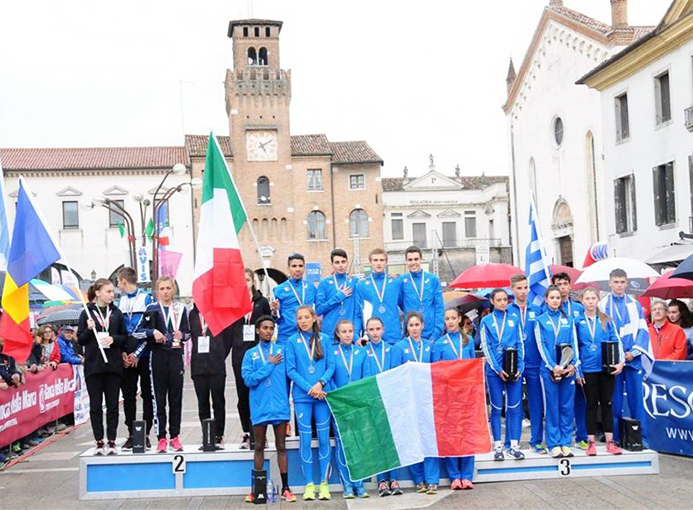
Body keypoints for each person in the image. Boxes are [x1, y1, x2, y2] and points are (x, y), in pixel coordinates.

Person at [241, 316, 297, 503]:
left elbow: (291, 375)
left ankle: (286, 489)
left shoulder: (282, 351)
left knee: (281, 446)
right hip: (260, 407)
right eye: (264, 328)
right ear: (257, 330)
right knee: (259, 446)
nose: (268, 331)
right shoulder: (250, 354)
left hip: (280, 407)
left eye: (271, 328)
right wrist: (269, 364)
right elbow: (248, 380)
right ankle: (256, 490)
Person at [284, 305, 335, 501]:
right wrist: (310, 388)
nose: (303, 321)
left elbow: (331, 365)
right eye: (300, 318)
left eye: (306, 317)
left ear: (314, 318)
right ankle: (309, 484)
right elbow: (291, 370)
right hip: (303, 396)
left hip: (322, 395)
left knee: (323, 439)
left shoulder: (326, 339)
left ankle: (324, 483)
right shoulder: (291, 341)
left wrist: (320, 384)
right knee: (305, 439)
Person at [599, 269, 652, 447]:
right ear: (610, 283)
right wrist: (616, 355)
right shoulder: (603, 304)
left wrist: (633, 353)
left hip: (632, 359)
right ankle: (614, 439)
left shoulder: (634, 304)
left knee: (636, 400)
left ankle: (641, 438)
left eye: (622, 282)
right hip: (614, 360)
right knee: (614, 401)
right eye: (616, 282)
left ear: (627, 283)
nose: (619, 285)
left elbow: (643, 331)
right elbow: (601, 333)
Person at [137, 276, 191, 453]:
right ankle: (161, 437)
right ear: (157, 291)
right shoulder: (151, 309)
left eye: (168, 288)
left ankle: (175, 437)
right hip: (158, 357)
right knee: (159, 399)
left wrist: (182, 336)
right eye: (162, 289)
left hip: (176, 356)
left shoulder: (181, 309)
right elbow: (137, 332)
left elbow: (188, 333)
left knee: (176, 399)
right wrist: (153, 332)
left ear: (173, 290)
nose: (166, 291)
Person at [77, 278, 127, 456]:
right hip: (94, 366)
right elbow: (80, 340)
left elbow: (124, 337)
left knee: (113, 405)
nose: (112, 295)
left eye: (113, 291)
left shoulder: (116, 313)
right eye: (108, 291)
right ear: (98, 293)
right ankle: (99, 441)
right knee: (96, 406)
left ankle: (112, 440)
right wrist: (89, 329)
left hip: (112, 365)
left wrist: (114, 339)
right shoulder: (87, 313)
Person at [391, 311, 439, 494]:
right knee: (412, 439)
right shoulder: (399, 347)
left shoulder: (429, 346)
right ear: (406, 328)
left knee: (429, 439)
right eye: (410, 325)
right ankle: (418, 479)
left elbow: (435, 372)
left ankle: (432, 480)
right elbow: (395, 374)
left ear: (422, 326)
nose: (414, 328)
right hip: (408, 400)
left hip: (426, 399)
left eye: (416, 325)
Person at [575, 287, 624, 456]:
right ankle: (590, 443)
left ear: (598, 299)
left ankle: (610, 442)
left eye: (593, 298)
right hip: (588, 368)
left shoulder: (606, 319)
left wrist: (621, 363)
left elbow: (616, 341)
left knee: (607, 404)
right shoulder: (577, 321)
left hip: (606, 368)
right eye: (587, 298)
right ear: (582, 300)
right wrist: (578, 371)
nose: (590, 301)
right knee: (590, 405)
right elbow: (575, 347)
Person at [479, 289, 525, 461]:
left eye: (505, 299)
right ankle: (498, 446)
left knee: (514, 407)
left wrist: (520, 366)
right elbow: (485, 346)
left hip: (514, 369)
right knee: (497, 408)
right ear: (492, 301)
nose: (502, 302)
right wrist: (497, 369)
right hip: (494, 371)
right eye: (499, 300)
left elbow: (520, 343)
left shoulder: (514, 319)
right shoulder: (486, 321)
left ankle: (514, 445)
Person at [432, 308, 476, 490]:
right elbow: (435, 371)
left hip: (466, 394)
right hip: (448, 396)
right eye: (447, 319)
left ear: (459, 319)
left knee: (466, 434)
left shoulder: (468, 341)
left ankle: (467, 475)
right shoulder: (439, 344)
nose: (450, 322)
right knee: (451, 435)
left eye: (453, 318)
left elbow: (473, 366)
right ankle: (454, 476)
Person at [535, 285, 580, 459]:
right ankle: (554, 444)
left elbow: (573, 343)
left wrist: (573, 365)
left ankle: (566, 443)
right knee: (552, 407)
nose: (555, 300)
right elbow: (542, 345)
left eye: (558, 298)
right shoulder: (540, 320)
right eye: (552, 297)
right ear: (546, 299)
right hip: (549, 371)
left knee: (566, 407)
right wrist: (552, 365)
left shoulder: (568, 319)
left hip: (568, 370)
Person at [361, 317, 403, 497]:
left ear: (383, 330)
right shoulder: (363, 351)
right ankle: (381, 481)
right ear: (367, 332)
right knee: (377, 441)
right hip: (373, 400)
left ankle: (394, 478)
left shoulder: (392, 350)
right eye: (371, 329)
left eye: (378, 328)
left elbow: (396, 374)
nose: (375, 332)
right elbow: (364, 377)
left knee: (391, 440)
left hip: (390, 399)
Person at [232, 268, 271, 449]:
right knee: (242, 395)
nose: (245, 283)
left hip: (258, 353)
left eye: (247, 279)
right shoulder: (233, 302)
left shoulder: (261, 301)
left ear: (252, 281)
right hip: (240, 353)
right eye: (241, 280)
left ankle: (260, 433)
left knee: (259, 394)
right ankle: (246, 433)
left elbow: (269, 323)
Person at [117, 267, 155, 450]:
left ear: (124, 280)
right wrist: (123, 353)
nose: (117, 286)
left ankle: (145, 434)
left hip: (145, 355)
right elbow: (119, 330)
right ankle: (132, 434)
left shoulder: (147, 299)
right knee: (129, 395)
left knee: (148, 394)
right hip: (127, 356)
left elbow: (150, 329)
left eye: (118, 282)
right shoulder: (120, 301)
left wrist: (137, 354)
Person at [331, 320, 369, 499]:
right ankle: (347, 484)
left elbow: (367, 377)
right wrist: (336, 396)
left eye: (350, 331)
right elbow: (329, 377)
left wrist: (359, 397)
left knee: (358, 443)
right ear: (337, 334)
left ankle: (359, 484)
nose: (347, 334)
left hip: (357, 404)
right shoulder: (332, 353)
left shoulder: (361, 352)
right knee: (342, 444)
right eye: (343, 331)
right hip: (339, 404)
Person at [508, 274, 545, 454]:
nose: (523, 291)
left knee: (536, 403)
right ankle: (511, 442)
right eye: (519, 288)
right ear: (512, 289)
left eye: (525, 287)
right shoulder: (507, 310)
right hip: (514, 364)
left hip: (534, 362)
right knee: (514, 403)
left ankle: (536, 440)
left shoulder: (537, 310)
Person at [189, 303, 234, 449]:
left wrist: (220, 354)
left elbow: (228, 338)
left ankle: (219, 435)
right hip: (198, 365)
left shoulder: (219, 313)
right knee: (202, 403)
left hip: (216, 365)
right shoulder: (192, 314)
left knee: (218, 402)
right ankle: (207, 435)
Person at [552, 272, 587, 449]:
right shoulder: (550, 308)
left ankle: (581, 436)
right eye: (559, 284)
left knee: (580, 400)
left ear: (570, 286)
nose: (563, 287)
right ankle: (558, 438)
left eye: (565, 283)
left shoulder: (579, 308)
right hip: (558, 362)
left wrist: (577, 365)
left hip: (578, 360)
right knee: (558, 403)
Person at [355, 249, 403, 344]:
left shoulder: (396, 282)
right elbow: (358, 313)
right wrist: (356, 336)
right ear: (370, 262)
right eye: (375, 260)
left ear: (386, 262)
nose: (378, 263)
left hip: (393, 336)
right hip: (372, 336)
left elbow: (405, 307)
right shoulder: (361, 285)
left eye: (381, 260)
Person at [399, 246, 444, 342]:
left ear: (421, 259)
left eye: (416, 259)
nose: (413, 262)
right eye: (410, 260)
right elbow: (401, 304)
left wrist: (436, 333)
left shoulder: (432, 279)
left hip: (430, 334)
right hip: (410, 333)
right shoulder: (402, 281)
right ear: (405, 261)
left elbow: (439, 307)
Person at [271, 254, 317, 344]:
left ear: (304, 268)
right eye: (294, 266)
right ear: (288, 268)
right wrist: (274, 311)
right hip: (286, 336)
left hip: (308, 335)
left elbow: (321, 306)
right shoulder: (279, 290)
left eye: (300, 266)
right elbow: (274, 318)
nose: (297, 269)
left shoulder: (310, 287)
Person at [316, 249, 360, 338]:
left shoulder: (354, 282)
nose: (340, 265)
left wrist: (356, 333)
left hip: (348, 334)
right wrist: (338, 297)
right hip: (330, 334)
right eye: (337, 262)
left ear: (347, 263)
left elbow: (358, 311)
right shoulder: (324, 283)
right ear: (332, 264)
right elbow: (318, 310)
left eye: (343, 262)